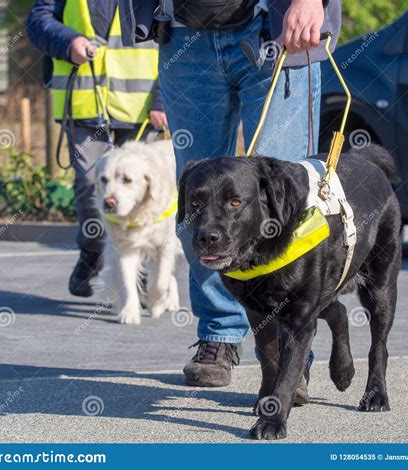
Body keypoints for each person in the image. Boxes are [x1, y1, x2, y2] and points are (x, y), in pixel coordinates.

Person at [123, 0, 341, 402]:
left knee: (284, 200)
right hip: (184, 33)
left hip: (273, 26)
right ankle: (219, 334)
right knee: (202, 202)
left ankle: (291, 357)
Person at [27, 0, 167, 297]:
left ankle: (137, 266)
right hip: (84, 102)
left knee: (140, 189)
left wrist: (162, 99)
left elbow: (172, 34)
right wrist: (68, 42)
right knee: (91, 184)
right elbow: (37, 21)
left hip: (139, 106)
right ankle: (92, 253)